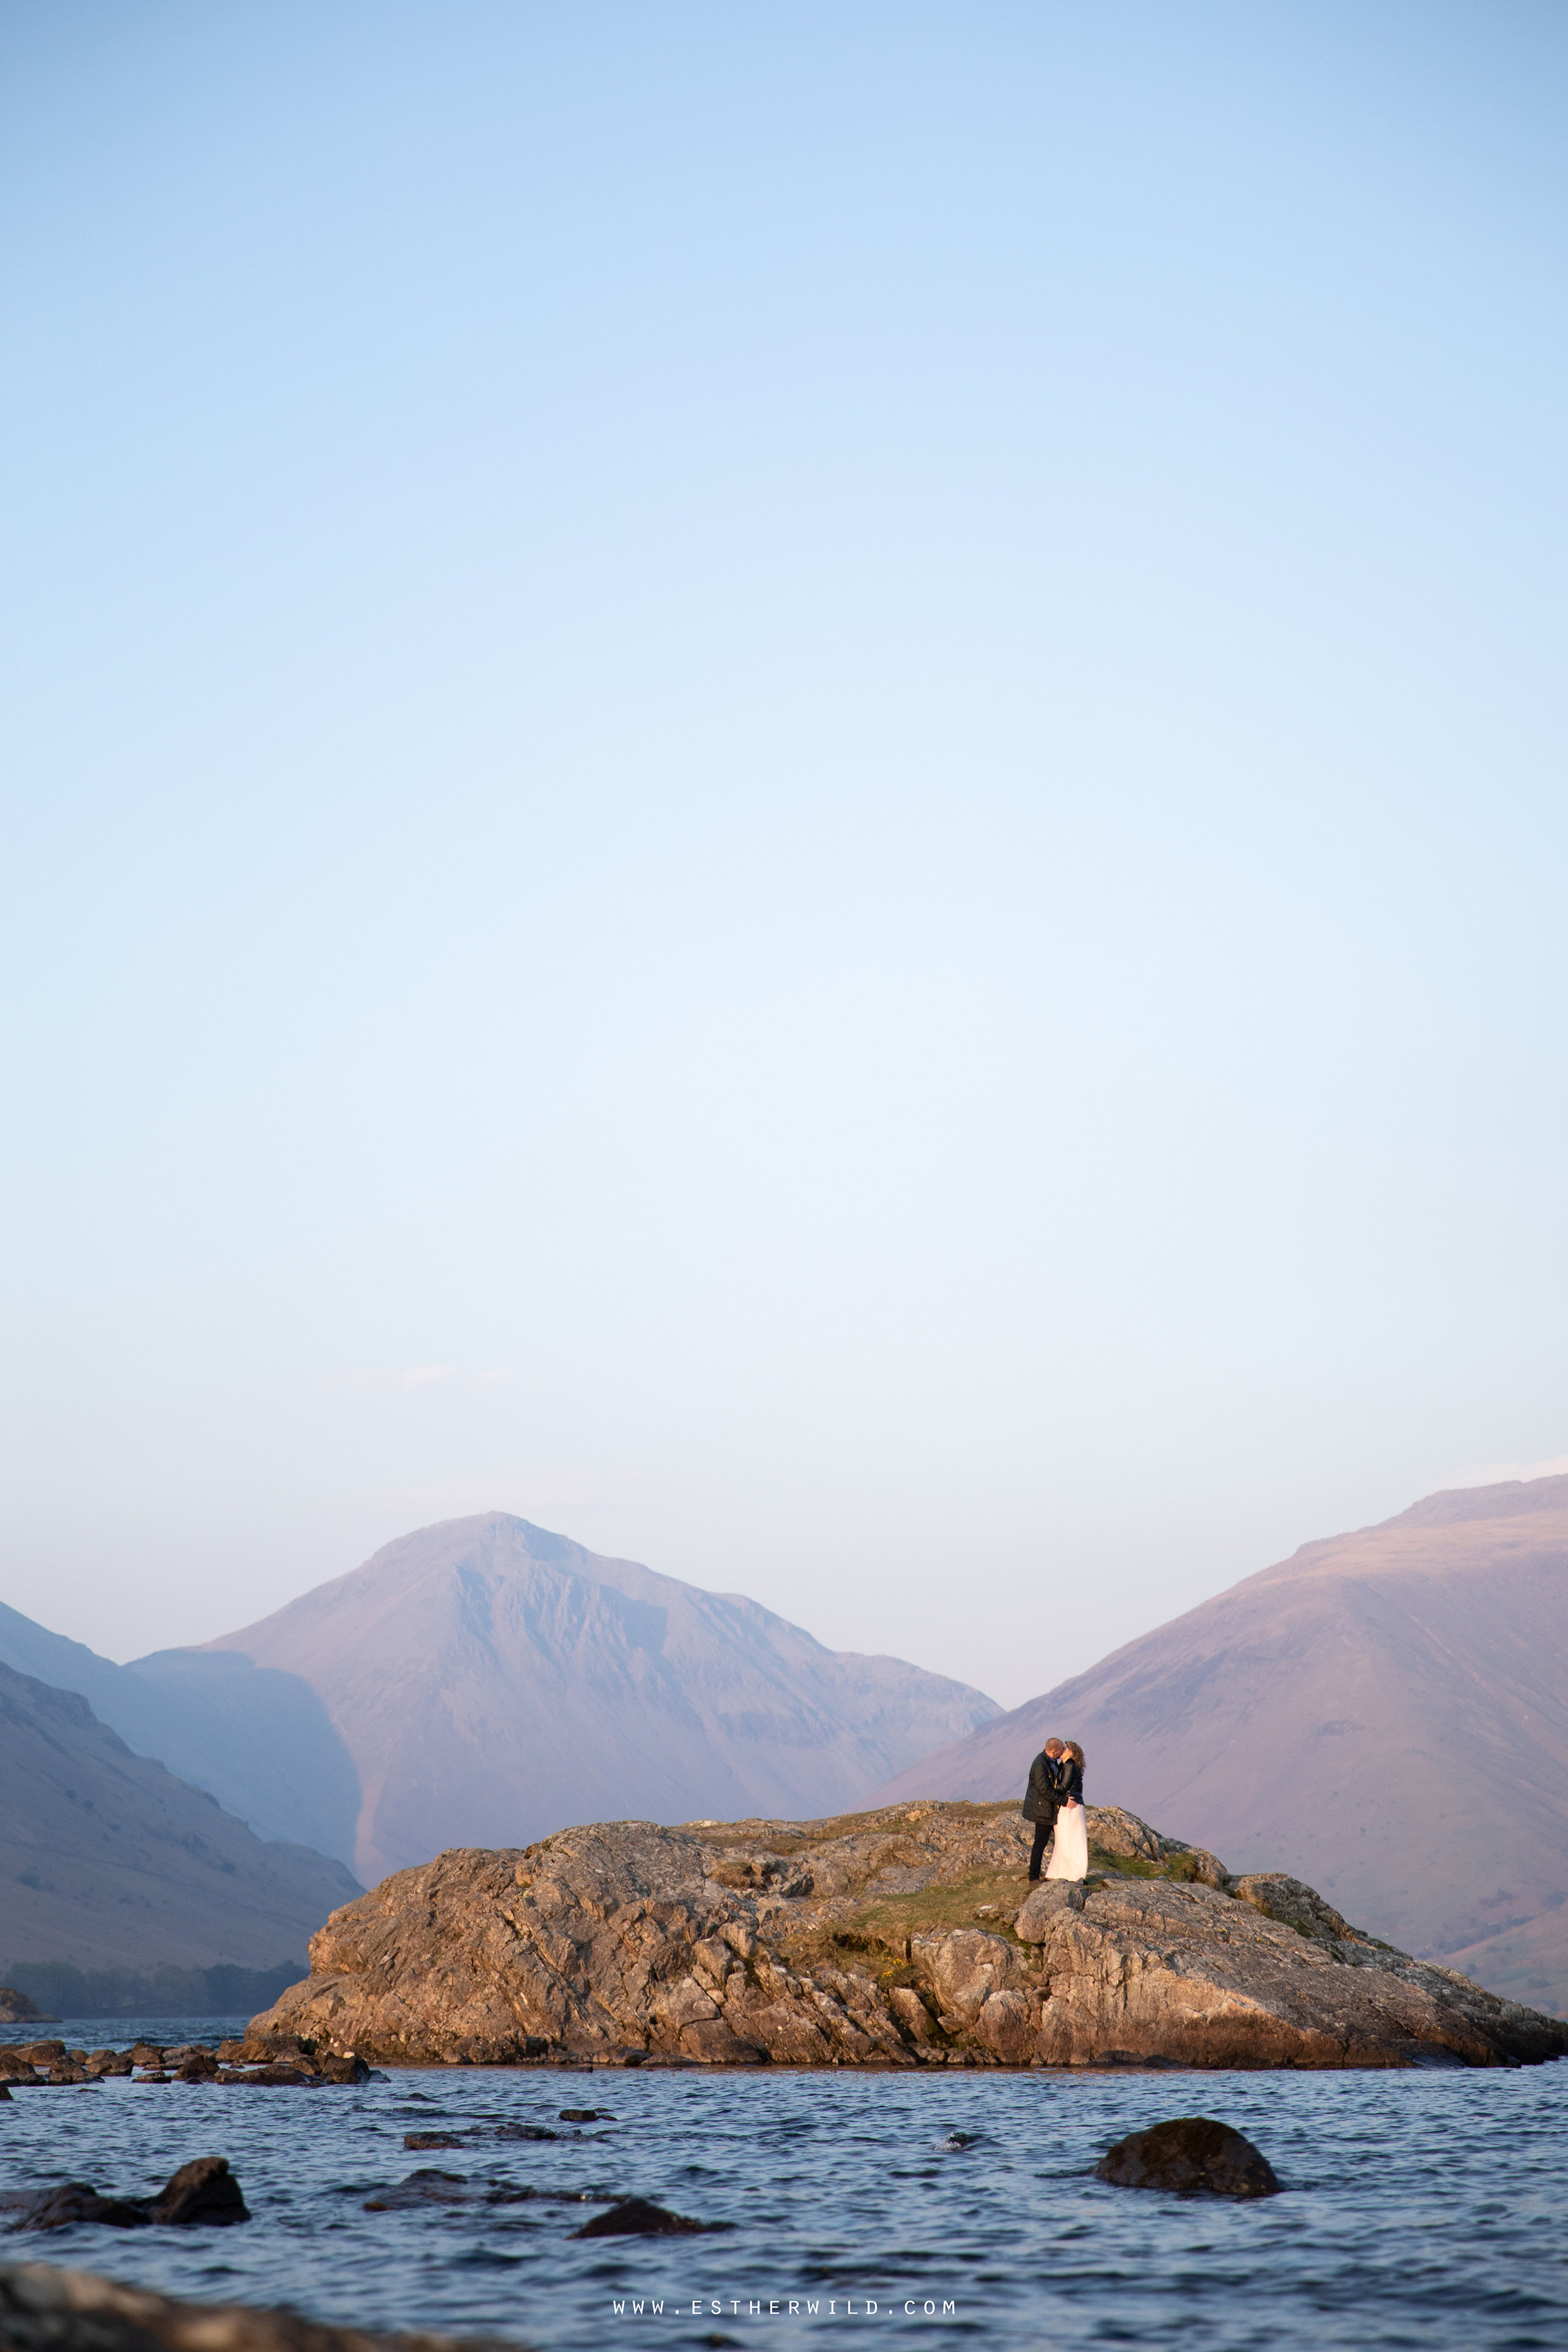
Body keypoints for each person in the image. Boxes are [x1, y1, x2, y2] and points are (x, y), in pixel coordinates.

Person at [1020, 1737, 1065, 1882]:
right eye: (1060, 1750)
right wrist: (1064, 1801)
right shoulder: (1040, 1765)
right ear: (1053, 1752)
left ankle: (1064, 1872)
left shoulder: (1050, 1762)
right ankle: (1033, 1877)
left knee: (1061, 1840)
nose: (1063, 1752)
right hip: (1043, 1811)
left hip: (1048, 1810)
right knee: (1040, 1843)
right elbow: (1045, 1790)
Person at [1046, 1741, 1088, 1880]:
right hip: (1070, 1805)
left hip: (1070, 1806)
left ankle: (1072, 1873)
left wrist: (1046, 1789)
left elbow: (1063, 1787)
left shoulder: (1069, 1765)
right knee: (1066, 1839)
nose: (1063, 1749)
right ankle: (1066, 1873)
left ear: (1072, 1752)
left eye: (1066, 1748)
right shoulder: (1065, 1765)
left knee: (1068, 1838)